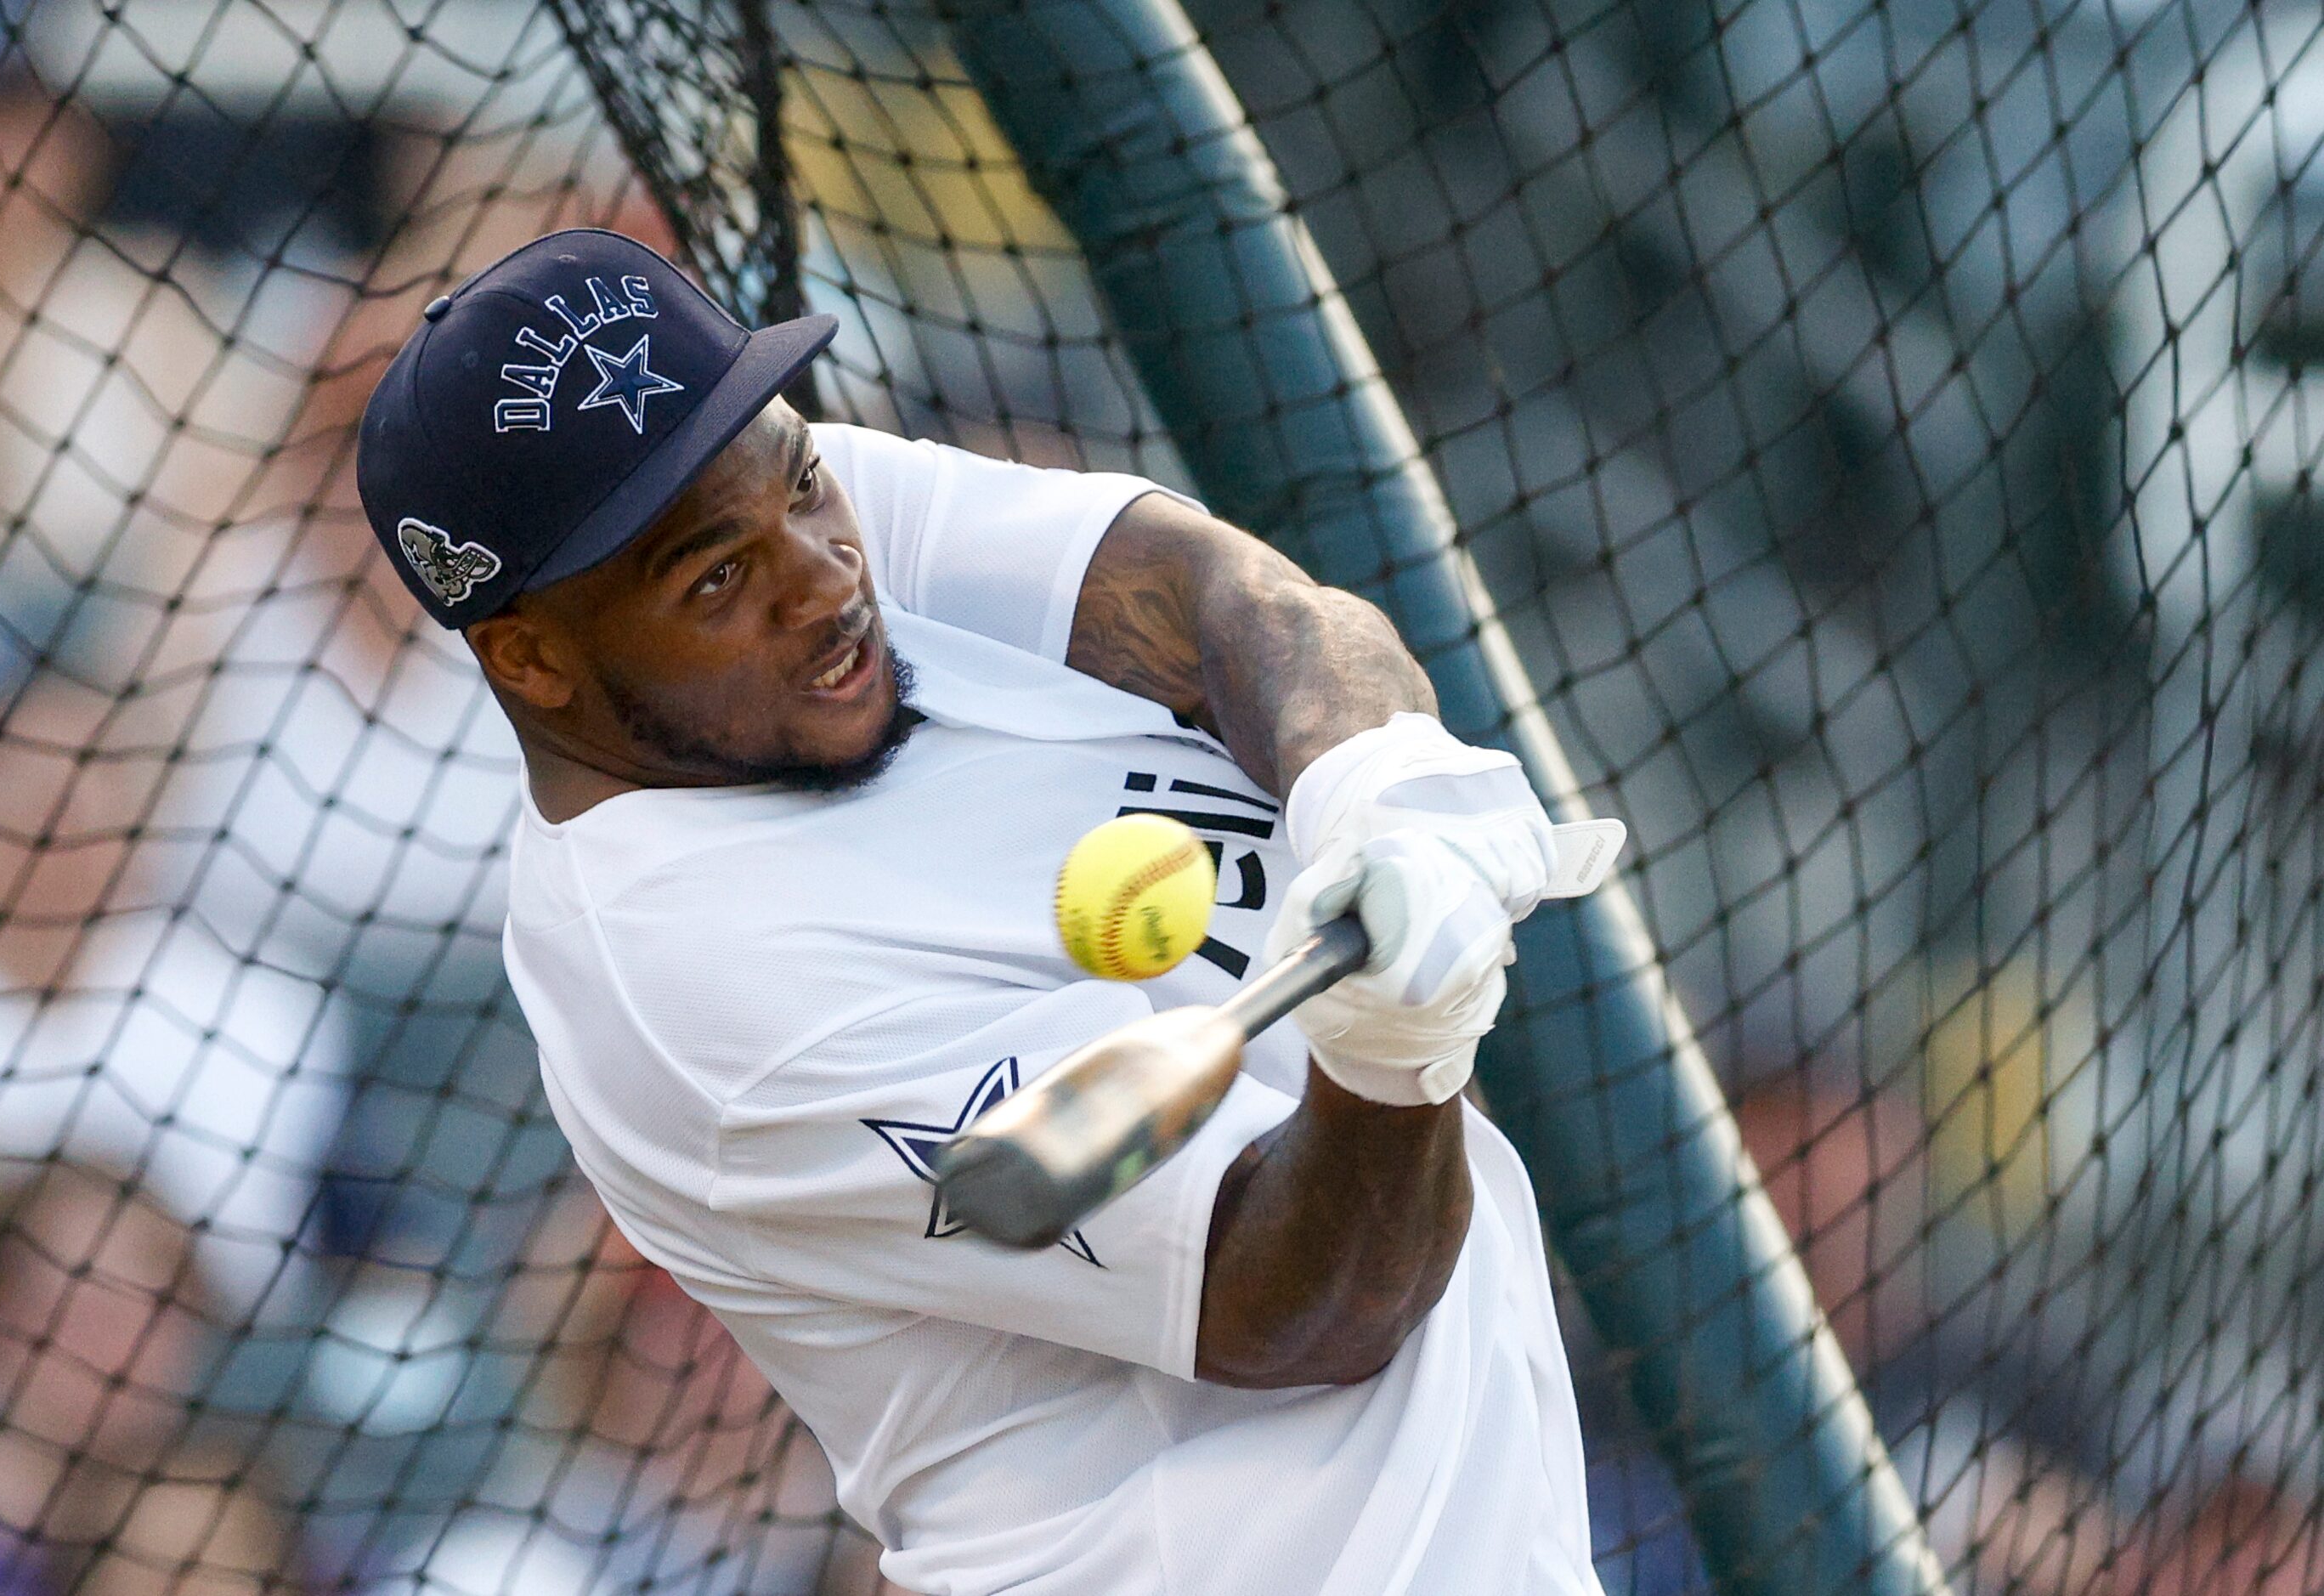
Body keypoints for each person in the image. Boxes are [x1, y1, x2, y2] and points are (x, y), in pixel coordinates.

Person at [355, 226, 1601, 1596]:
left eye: (805, 480)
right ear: (532, 655)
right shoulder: (700, 986)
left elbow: (1201, 588)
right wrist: (1393, 1042)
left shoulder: (784, 518)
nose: (824, 576)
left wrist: (1375, 777)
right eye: (713, 579)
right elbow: (1302, 1300)